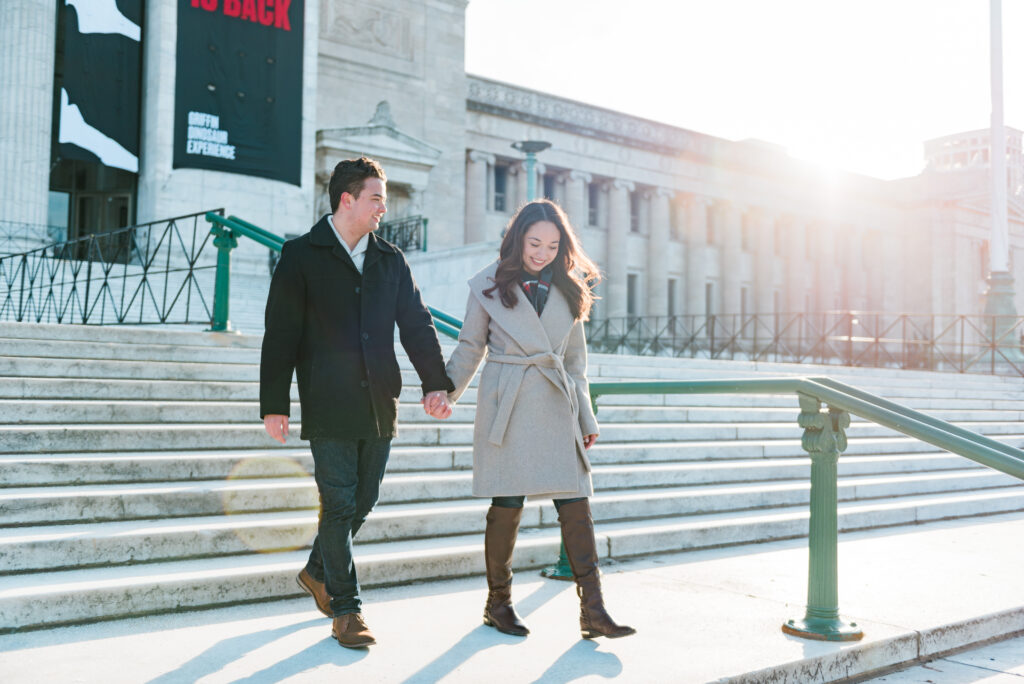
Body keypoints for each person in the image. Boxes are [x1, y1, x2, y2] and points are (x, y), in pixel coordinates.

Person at [260, 156, 453, 649]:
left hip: (379, 400)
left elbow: (417, 325)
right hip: (327, 400)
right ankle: (347, 610)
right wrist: (274, 403)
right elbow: (281, 334)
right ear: (347, 198)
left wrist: (436, 382)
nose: (383, 209)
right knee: (340, 502)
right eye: (376, 198)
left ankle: (317, 571)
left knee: (361, 501)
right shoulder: (301, 255)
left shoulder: (390, 258)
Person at [439, 199, 635, 639]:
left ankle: (594, 610)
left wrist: (587, 417)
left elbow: (575, 362)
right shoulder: (487, 284)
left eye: (551, 244)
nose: (542, 252)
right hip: (507, 400)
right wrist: (445, 392)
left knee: (577, 503)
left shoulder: (570, 288)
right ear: (517, 239)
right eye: (534, 243)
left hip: (553, 400)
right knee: (507, 504)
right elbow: (471, 347)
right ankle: (498, 603)